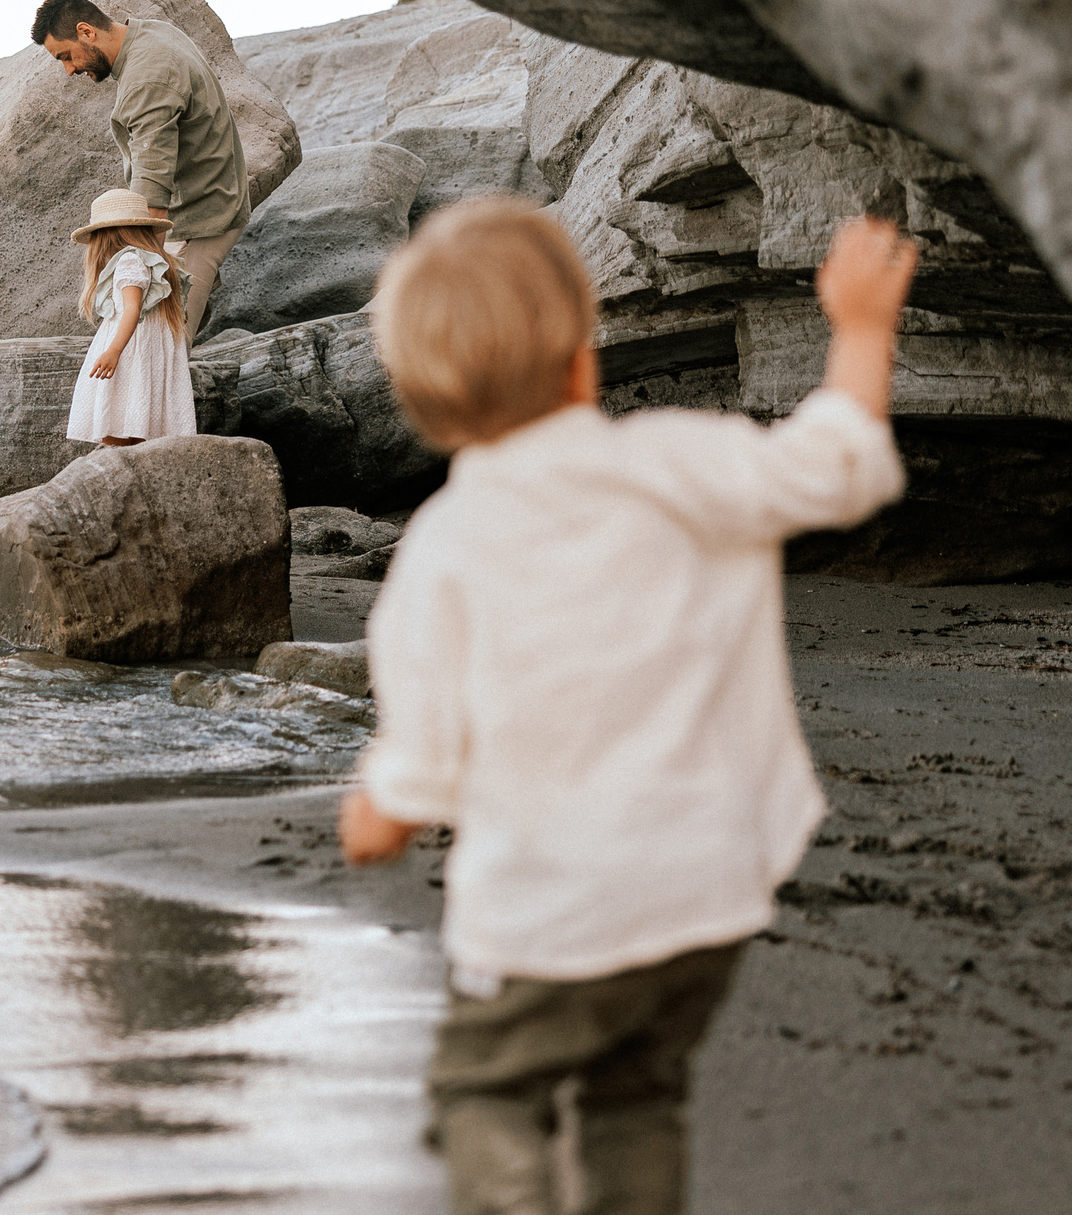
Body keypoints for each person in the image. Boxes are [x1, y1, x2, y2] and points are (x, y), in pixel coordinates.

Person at [341, 197, 917, 1215]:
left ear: (423, 402)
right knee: (637, 1092)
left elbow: (417, 762)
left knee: (488, 1088)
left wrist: (375, 812)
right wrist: (862, 326)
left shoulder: (441, 550)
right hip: (702, 895)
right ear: (580, 353)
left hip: (549, 917)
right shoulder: (679, 462)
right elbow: (843, 465)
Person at [32, 0, 250, 341]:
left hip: (197, 220)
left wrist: (142, 269)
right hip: (210, 198)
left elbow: (153, 183)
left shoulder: (147, 77)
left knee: (161, 345)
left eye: (66, 56)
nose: (69, 69)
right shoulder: (151, 32)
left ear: (87, 32)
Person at [65, 188, 197, 448]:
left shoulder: (128, 261)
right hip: (150, 351)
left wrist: (113, 350)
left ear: (105, 236)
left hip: (130, 350)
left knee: (116, 426)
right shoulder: (159, 261)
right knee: (140, 426)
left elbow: (132, 309)